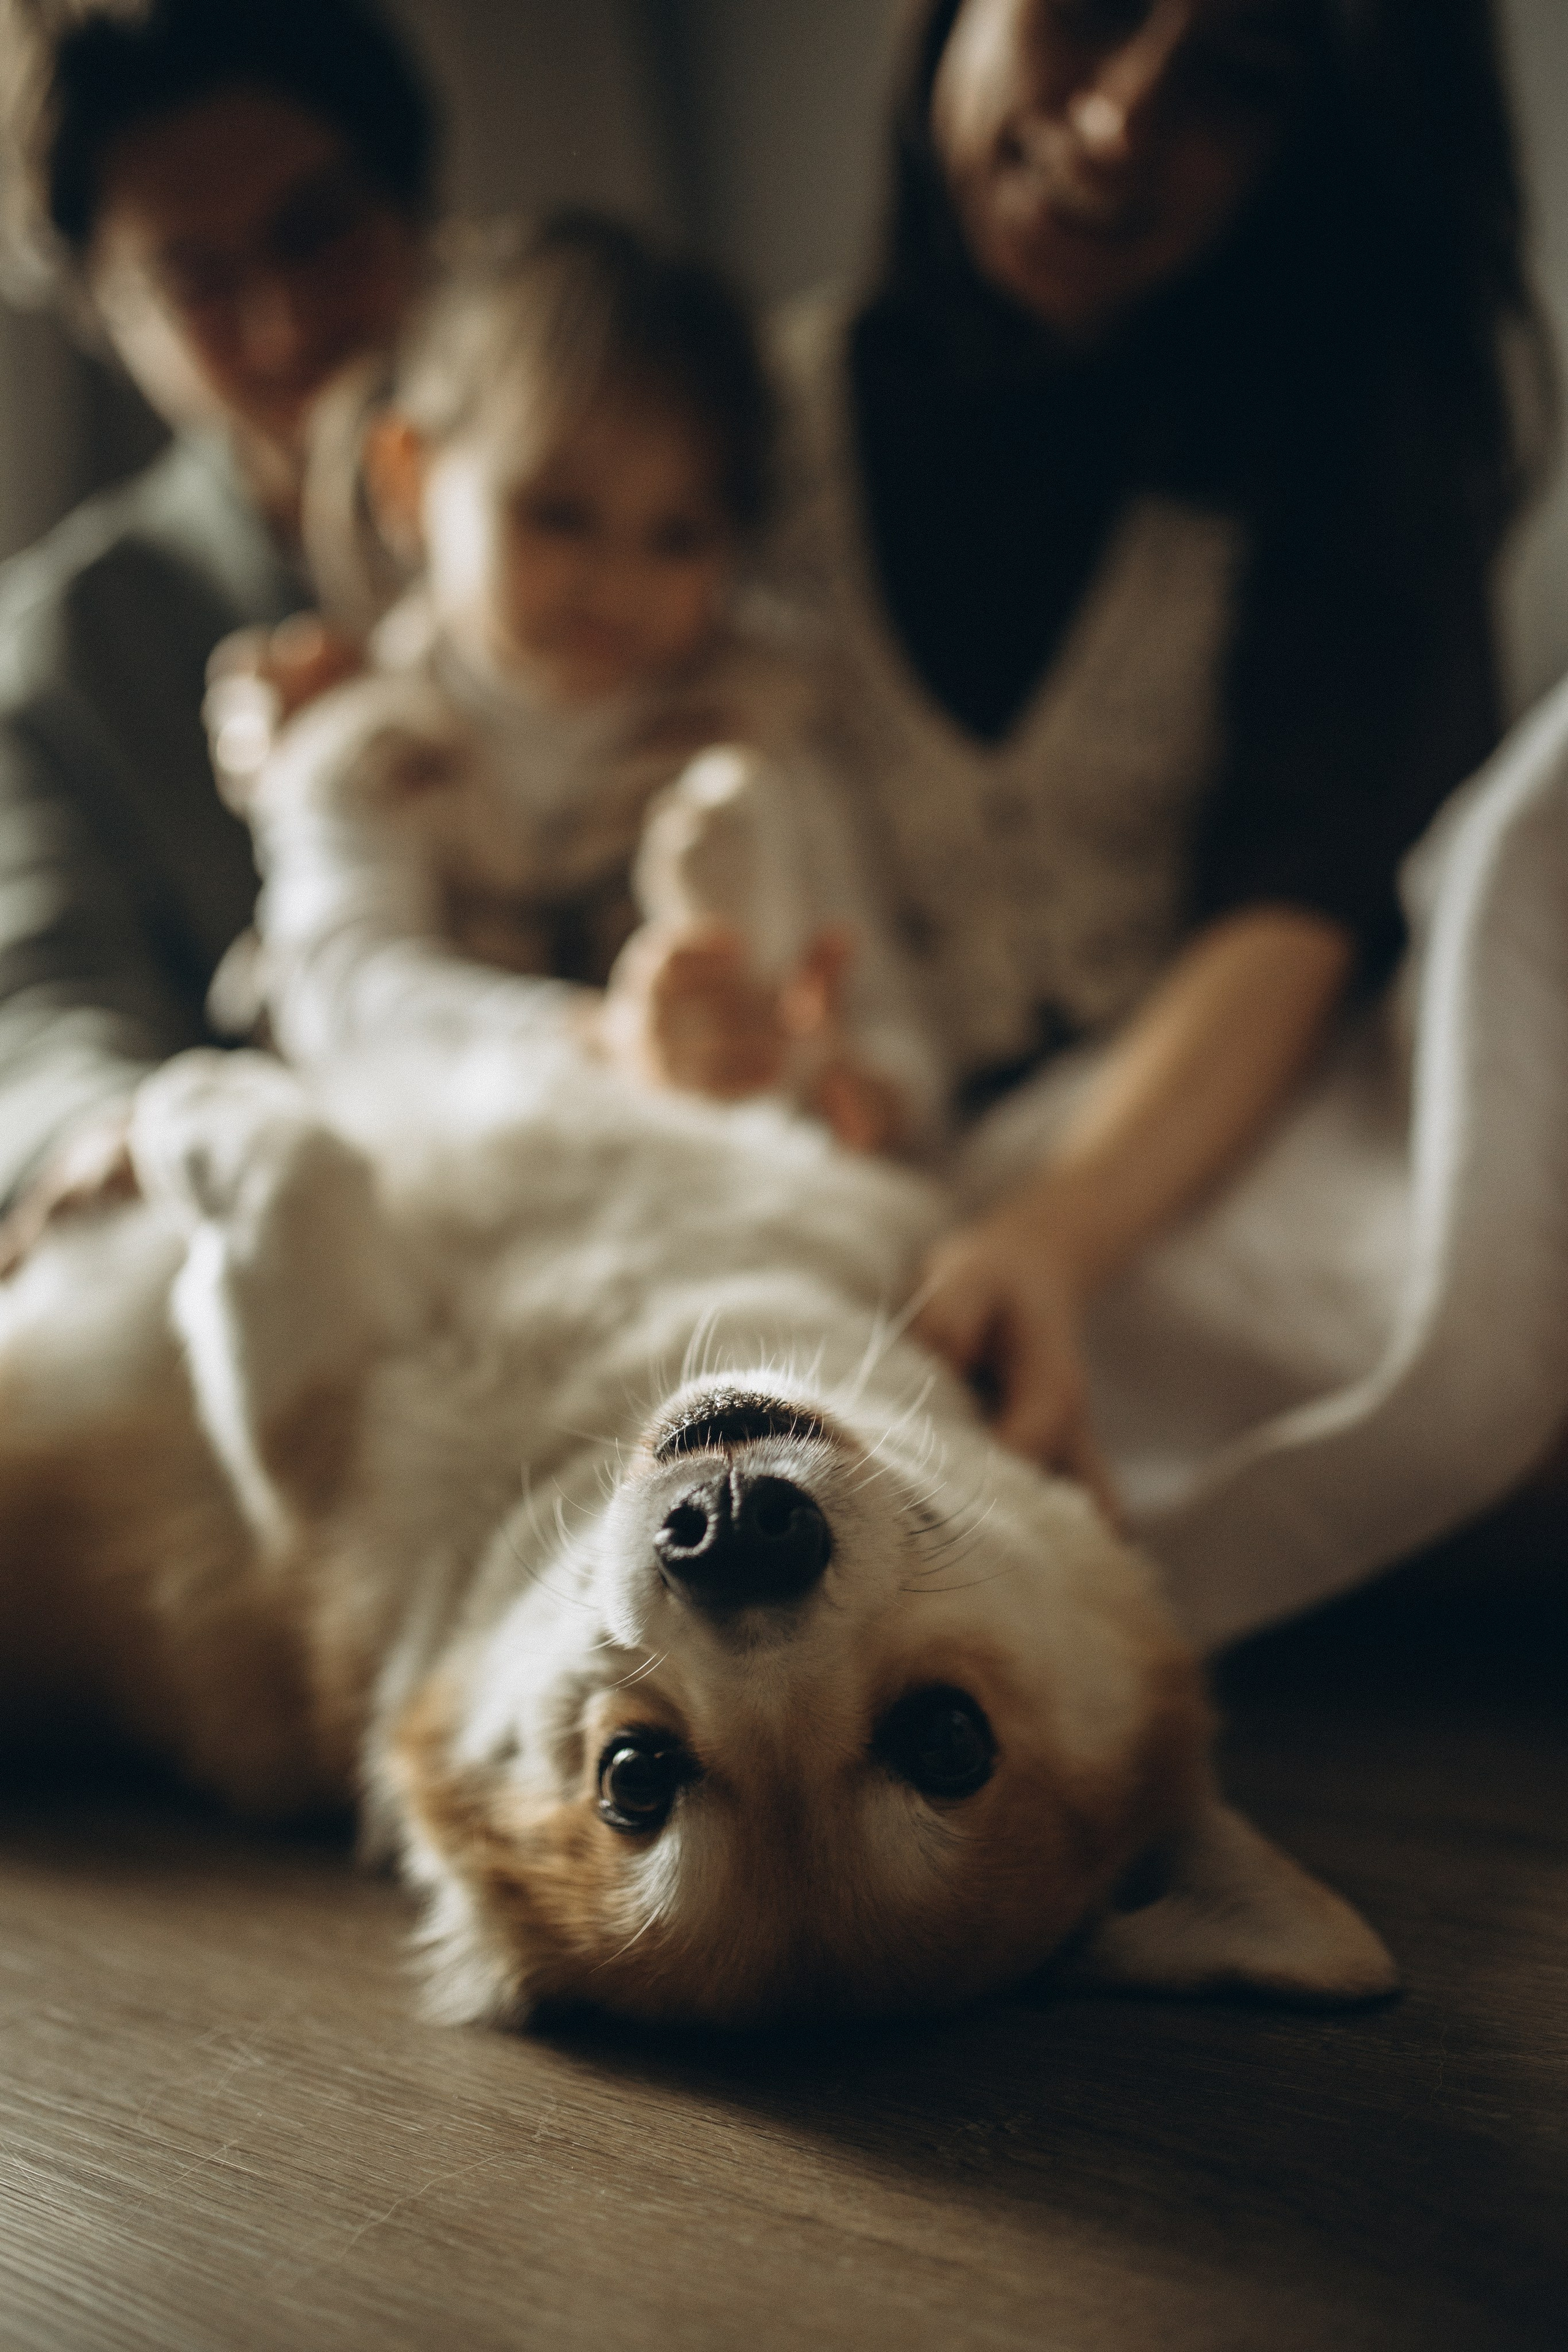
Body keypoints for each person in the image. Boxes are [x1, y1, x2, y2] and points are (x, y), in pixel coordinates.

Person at [605, 0, 1552, 1501]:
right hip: (869, 1175)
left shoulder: (1336, 462)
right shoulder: (726, 435)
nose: (1117, 123)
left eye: (1233, 84)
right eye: (1088, 11)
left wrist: (1047, 1236)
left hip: (1229, 1155)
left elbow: (1302, 904)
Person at [232, 213, 937, 1150]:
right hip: (450, 1170)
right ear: (409, 479)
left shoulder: (755, 735)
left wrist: (871, 1091)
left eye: (677, 537)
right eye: (558, 515)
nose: (616, 580)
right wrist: (604, 1041)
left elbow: (888, 1002)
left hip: (698, 1184)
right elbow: (342, 995)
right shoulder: (363, 751)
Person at [0, 0, 437, 1264]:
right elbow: (42, 1015)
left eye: (322, 235)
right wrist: (117, 1135)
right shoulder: (62, 654)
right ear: (103, 312)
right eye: (195, 281)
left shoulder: (621, 500)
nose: (282, 324)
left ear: (412, 209)